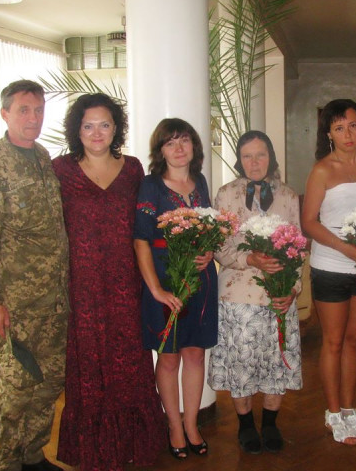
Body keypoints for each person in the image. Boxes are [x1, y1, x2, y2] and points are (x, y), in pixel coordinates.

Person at [51, 93, 166, 469]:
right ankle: (92, 450)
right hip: (81, 287)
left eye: (104, 124)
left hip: (125, 286)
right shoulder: (60, 170)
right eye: (88, 125)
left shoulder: (133, 169)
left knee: (130, 364)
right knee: (88, 366)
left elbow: (147, 226)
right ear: (77, 130)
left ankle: (133, 445)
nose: (96, 133)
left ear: (116, 128)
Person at [0, 80, 69, 471]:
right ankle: (6, 462)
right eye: (24, 109)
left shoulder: (42, 157)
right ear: (5, 113)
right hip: (15, 304)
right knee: (17, 388)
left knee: (49, 383)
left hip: (53, 300)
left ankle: (33, 455)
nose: (33, 117)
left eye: (39, 109)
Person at [208, 130, 303, 454]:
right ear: (239, 160)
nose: (254, 162)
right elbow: (219, 247)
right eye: (247, 156)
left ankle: (271, 423)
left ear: (270, 157)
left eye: (260, 155)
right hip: (238, 293)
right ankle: (246, 425)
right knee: (242, 363)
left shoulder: (288, 196)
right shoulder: (226, 195)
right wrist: (249, 258)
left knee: (277, 361)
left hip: (278, 293)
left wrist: (292, 288)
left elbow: (298, 247)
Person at [301, 99, 356, 445]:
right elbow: (309, 222)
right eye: (339, 128)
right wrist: (346, 248)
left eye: (352, 125)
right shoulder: (322, 170)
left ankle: (350, 410)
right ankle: (333, 413)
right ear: (329, 134)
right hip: (330, 266)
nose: (347, 134)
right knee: (334, 341)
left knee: (354, 340)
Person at [134, 118, 218, 459]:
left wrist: (209, 250)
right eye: (170, 142)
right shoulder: (151, 185)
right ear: (161, 150)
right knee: (168, 358)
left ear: (194, 145)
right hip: (165, 281)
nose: (179, 148)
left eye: (184, 140)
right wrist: (155, 289)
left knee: (195, 354)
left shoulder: (201, 182)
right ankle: (174, 426)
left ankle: (192, 424)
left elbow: (208, 230)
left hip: (201, 281)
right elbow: (141, 240)